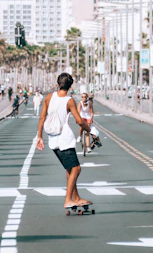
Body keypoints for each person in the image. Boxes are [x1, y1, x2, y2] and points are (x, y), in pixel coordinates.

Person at [36, 73, 93, 208]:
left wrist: (39, 136)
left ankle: (76, 197)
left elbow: (42, 118)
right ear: (70, 86)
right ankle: (68, 199)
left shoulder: (49, 97)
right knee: (76, 168)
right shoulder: (69, 101)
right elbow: (79, 121)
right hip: (64, 139)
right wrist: (89, 130)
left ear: (58, 84)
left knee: (69, 168)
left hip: (53, 139)